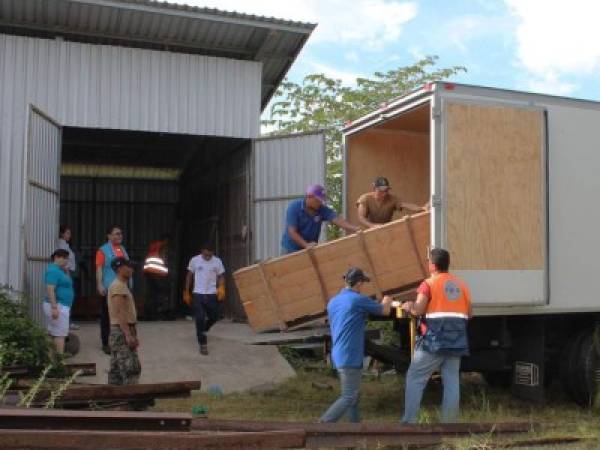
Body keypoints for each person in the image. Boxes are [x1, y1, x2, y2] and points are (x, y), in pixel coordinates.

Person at [400, 248, 472, 423]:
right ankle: (449, 423)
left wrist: (409, 306)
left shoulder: (428, 284)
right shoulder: (461, 285)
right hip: (456, 342)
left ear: (432, 265)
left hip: (433, 342)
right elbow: (469, 314)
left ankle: (409, 421)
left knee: (415, 378)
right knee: (452, 381)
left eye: (428, 261)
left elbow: (418, 309)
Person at [319, 267, 392, 423]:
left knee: (353, 394)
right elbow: (385, 310)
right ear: (359, 283)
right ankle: (322, 424)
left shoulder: (333, 301)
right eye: (363, 283)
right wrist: (387, 298)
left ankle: (355, 427)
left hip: (339, 352)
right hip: (349, 354)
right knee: (349, 396)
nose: (363, 286)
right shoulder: (358, 300)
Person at [281, 184, 360, 254]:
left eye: (321, 200)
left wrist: (354, 228)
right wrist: (306, 245)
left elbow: (336, 219)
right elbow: (292, 232)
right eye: (318, 200)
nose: (320, 203)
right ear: (309, 197)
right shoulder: (294, 207)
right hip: (291, 249)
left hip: (309, 249)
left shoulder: (321, 209)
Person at [184, 243, 226, 355]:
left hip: (212, 294)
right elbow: (189, 276)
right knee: (200, 318)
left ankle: (204, 329)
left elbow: (221, 276)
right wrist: (186, 291)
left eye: (210, 255)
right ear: (202, 251)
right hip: (198, 293)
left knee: (215, 316)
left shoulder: (217, 261)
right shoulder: (195, 260)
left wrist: (221, 287)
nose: (208, 257)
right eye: (206, 255)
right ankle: (203, 344)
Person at [107, 257, 141, 385]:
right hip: (121, 330)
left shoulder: (121, 285)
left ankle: (113, 397)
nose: (132, 269)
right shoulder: (118, 286)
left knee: (116, 367)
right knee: (130, 367)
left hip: (123, 329)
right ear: (120, 268)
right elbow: (119, 312)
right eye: (129, 267)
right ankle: (132, 400)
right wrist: (128, 334)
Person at [96, 225, 129, 355]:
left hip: (122, 288)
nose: (119, 236)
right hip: (109, 288)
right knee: (107, 316)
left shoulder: (123, 249)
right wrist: (99, 284)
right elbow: (99, 268)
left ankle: (120, 341)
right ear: (108, 236)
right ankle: (106, 343)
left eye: (120, 234)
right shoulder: (102, 251)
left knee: (121, 314)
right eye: (116, 234)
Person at [357, 177, 428, 228]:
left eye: (386, 190)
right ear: (375, 189)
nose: (384, 193)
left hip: (386, 230)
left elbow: (406, 205)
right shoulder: (365, 198)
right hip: (368, 232)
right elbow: (361, 217)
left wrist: (422, 208)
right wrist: (372, 225)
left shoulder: (392, 199)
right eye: (381, 191)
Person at [43, 249, 74, 355]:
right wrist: (54, 307)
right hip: (58, 305)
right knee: (60, 334)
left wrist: (66, 271)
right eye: (63, 258)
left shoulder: (60, 270)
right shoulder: (53, 271)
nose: (66, 261)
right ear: (56, 257)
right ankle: (59, 361)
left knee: (53, 332)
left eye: (67, 259)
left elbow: (68, 283)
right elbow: (50, 289)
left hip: (61, 305)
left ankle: (51, 360)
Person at [143, 234, 171, 320]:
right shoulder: (163, 247)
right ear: (166, 240)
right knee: (160, 293)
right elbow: (164, 259)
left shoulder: (154, 246)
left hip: (149, 272)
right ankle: (157, 313)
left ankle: (149, 313)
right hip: (157, 273)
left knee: (151, 293)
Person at [57, 224, 80, 330]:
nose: (69, 235)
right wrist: (67, 274)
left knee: (68, 298)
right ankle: (66, 321)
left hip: (69, 273)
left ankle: (67, 321)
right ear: (62, 233)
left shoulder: (65, 244)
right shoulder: (61, 245)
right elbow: (63, 261)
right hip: (66, 273)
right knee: (67, 298)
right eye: (67, 233)